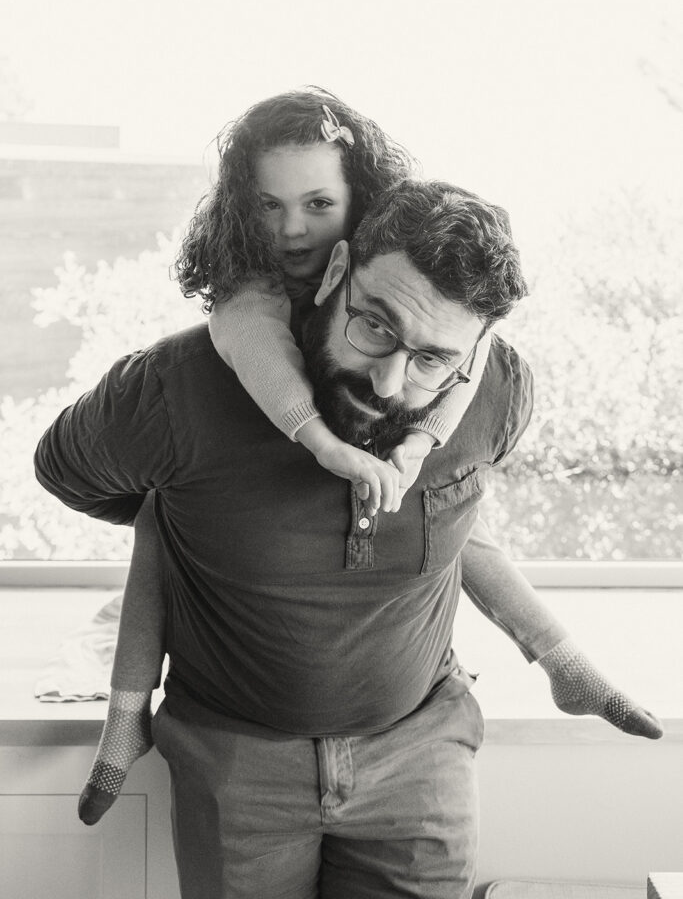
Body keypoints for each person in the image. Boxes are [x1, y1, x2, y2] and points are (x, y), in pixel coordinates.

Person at [35, 178, 662, 898]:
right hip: (236, 765)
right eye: (375, 327)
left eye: (432, 359)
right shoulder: (178, 387)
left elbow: (460, 527)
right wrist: (184, 521)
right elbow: (65, 472)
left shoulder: (498, 395)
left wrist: (561, 657)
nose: (391, 381)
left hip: (419, 759)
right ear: (336, 274)